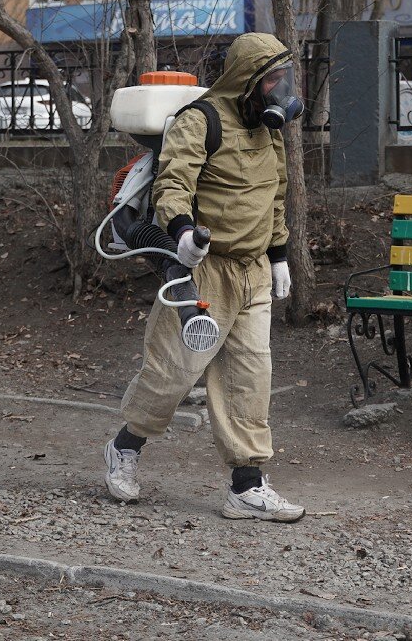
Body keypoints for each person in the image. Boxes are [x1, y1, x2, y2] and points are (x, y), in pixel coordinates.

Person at [102, 33, 305, 523]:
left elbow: (275, 197)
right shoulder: (202, 120)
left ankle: (246, 486)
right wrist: (182, 231)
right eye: (273, 80)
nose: (282, 90)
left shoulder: (270, 130)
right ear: (248, 80)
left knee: (250, 379)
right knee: (172, 371)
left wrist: (279, 256)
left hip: (253, 271)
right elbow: (174, 182)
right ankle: (124, 446)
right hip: (206, 270)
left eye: (285, 79)